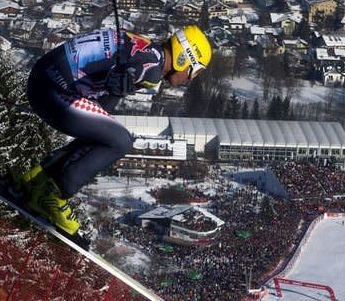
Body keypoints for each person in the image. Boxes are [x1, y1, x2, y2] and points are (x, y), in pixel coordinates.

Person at [16, 26, 212, 244]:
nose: (191, 78)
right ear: (184, 58)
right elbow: (128, 71)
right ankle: (55, 195)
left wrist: (116, 83)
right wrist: (118, 79)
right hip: (55, 92)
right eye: (195, 71)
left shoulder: (146, 47)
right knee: (121, 142)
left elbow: (108, 88)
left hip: (43, 79)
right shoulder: (151, 68)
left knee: (102, 131)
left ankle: (38, 179)